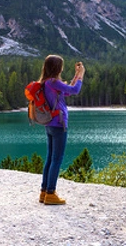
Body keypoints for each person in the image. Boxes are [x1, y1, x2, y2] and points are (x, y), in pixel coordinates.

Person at [38, 54, 85, 205]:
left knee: (50, 158)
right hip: (59, 124)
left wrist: (76, 75)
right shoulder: (54, 82)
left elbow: (67, 91)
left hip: (50, 124)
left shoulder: (47, 82)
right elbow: (75, 91)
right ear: (57, 68)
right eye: (61, 66)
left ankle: (44, 191)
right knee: (57, 159)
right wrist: (82, 76)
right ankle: (51, 193)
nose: (62, 68)